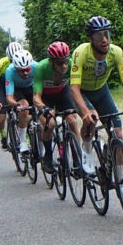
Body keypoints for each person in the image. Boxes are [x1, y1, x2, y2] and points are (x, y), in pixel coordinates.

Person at [69, 16, 123, 204]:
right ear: (90, 38)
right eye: (99, 35)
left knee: (118, 135)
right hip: (83, 92)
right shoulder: (81, 53)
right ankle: (86, 151)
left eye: (107, 34)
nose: (104, 39)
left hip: (101, 91)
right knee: (91, 119)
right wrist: (85, 111)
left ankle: (121, 184)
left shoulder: (116, 52)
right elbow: (74, 88)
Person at [31, 41, 79, 174]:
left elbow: (78, 87)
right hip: (45, 97)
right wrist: (43, 108)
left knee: (73, 121)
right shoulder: (41, 68)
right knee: (50, 124)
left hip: (62, 93)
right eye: (59, 63)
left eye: (65, 61)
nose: (64, 66)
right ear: (51, 62)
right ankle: (47, 155)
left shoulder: (72, 65)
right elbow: (36, 97)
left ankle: (77, 158)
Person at [0, 41, 25, 149]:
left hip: (16, 86)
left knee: (22, 110)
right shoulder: (2, 63)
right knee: (1, 117)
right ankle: (3, 135)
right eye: (12, 60)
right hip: (2, 86)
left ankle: (24, 136)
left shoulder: (24, 60)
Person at [4, 49, 36, 152]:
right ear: (16, 68)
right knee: (24, 106)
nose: (26, 72)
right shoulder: (10, 71)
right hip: (17, 89)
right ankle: (23, 141)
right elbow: (9, 97)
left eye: (28, 69)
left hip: (31, 87)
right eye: (22, 70)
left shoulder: (36, 66)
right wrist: (16, 105)